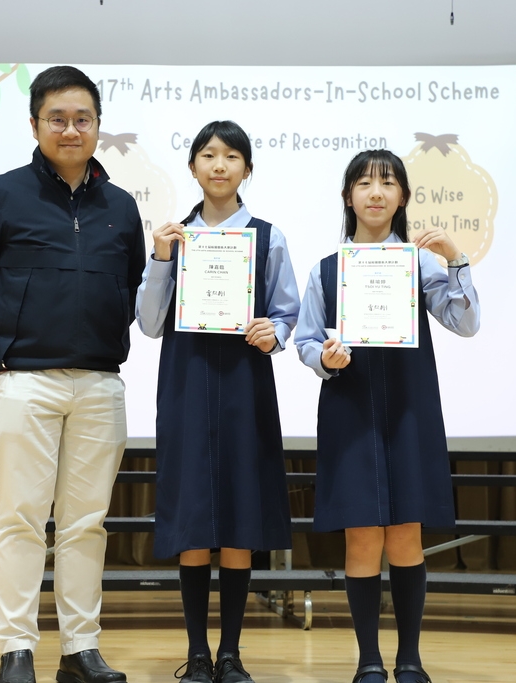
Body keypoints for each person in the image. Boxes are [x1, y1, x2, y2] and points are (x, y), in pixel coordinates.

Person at [0, 66, 146, 683]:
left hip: (100, 384)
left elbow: (131, 285)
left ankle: (81, 650)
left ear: (98, 126)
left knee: (87, 523)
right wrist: (3, 343)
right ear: (34, 124)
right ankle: (16, 650)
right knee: (22, 519)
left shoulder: (121, 207)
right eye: (57, 118)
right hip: (25, 381)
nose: (71, 129)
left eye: (83, 119)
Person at [293, 149, 480, 683]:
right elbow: (306, 341)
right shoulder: (326, 269)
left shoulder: (420, 263)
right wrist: (325, 359)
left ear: (402, 198)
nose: (376, 193)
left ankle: (410, 659)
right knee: (361, 538)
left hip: (408, 410)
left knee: (405, 536)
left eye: (388, 183)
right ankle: (369, 661)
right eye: (365, 183)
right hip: (350, 411)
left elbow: (465, 323)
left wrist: (456, 259)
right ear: (348, 196)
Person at [135, 120, 300, 683]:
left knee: (239, 516)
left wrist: (274, 333)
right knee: (192, 519)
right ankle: (198, 653)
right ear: (193, 168)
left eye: (232, 156)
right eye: (208, 154)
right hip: (186, 383)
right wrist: (161, 259)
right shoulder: (174, 238)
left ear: (247, 169)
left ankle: (230, 653)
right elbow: (150, 323)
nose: (220, 164)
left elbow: (287, 313)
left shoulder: (268, 237)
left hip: (244, 386)